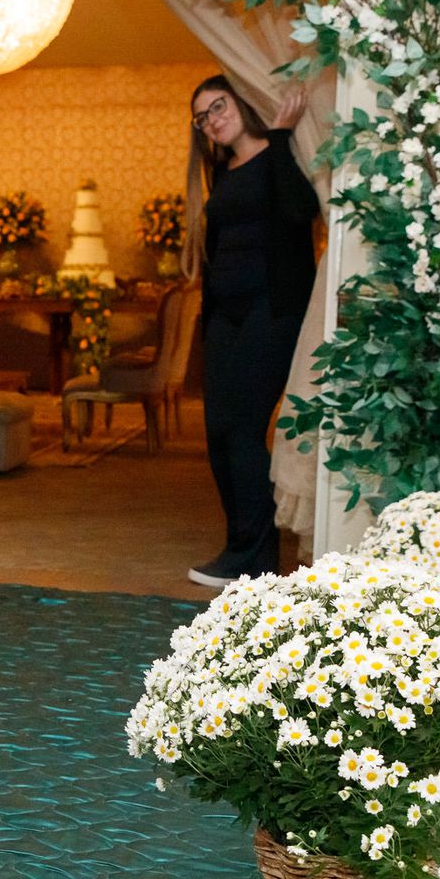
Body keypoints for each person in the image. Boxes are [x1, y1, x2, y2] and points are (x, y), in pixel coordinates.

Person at [183, 75, 320, 589]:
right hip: (226, 317)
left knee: (242, 430)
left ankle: (256, 559)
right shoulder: (222, 171)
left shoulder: (280, 153)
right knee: (218, 433)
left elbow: (301, 211)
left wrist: (281, 136)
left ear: (240, 100)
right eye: (203, 117)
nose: (213, 120)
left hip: (272, 312)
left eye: (218, 106)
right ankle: (240, 549)